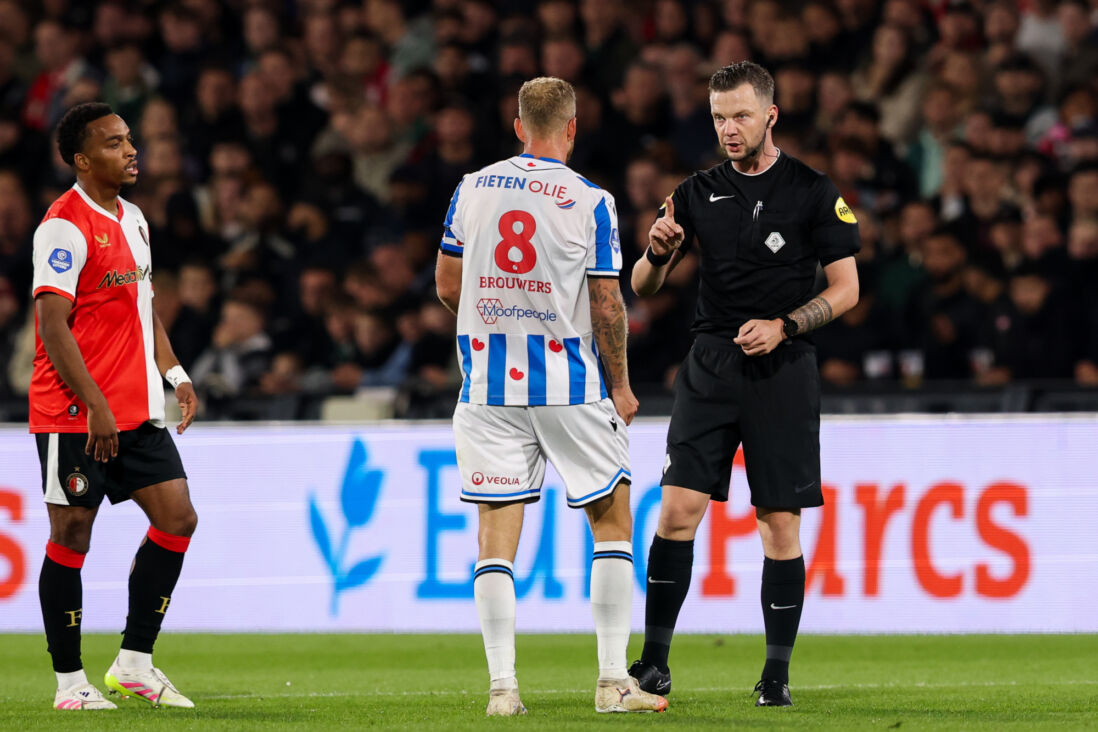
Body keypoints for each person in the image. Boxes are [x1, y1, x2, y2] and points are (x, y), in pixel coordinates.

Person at [628, 62, 861, 707]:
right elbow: (642, 290)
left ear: (770, 116)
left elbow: (846, 290)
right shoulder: (696, 192)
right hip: (710, 365)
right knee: (677, 511)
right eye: (719, 118)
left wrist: (785, 326)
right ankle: (652, 665)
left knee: (778, 522)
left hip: (782, 370)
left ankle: (777, 674)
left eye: (740, 116)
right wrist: (654, 252)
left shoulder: (813, 191)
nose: (729, 129)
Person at [434, 77, 667, 717]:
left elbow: (447, 283)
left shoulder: (472, 186)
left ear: (517, 126)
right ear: (571, 127)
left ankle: (503, 689)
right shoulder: (591, 199)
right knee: (612, 522)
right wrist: (619, 384)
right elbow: (606, 301)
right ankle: (614, 681)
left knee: (494, 538)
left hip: (486, 385)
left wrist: (489, 322)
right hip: (568, 384)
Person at [30, 102, 199, 711]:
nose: (131, 150)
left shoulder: (134, 218)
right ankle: (69, 683)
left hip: (133, 409)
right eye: (113, 143)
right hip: (74, 413)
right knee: (72, 532)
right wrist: (94, 405)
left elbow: (142, 301)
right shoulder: (62, 226)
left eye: (129, 140)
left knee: (178, 518)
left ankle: (134, 661)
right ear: (82, 159)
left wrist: (174, 371)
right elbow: (52, 326)